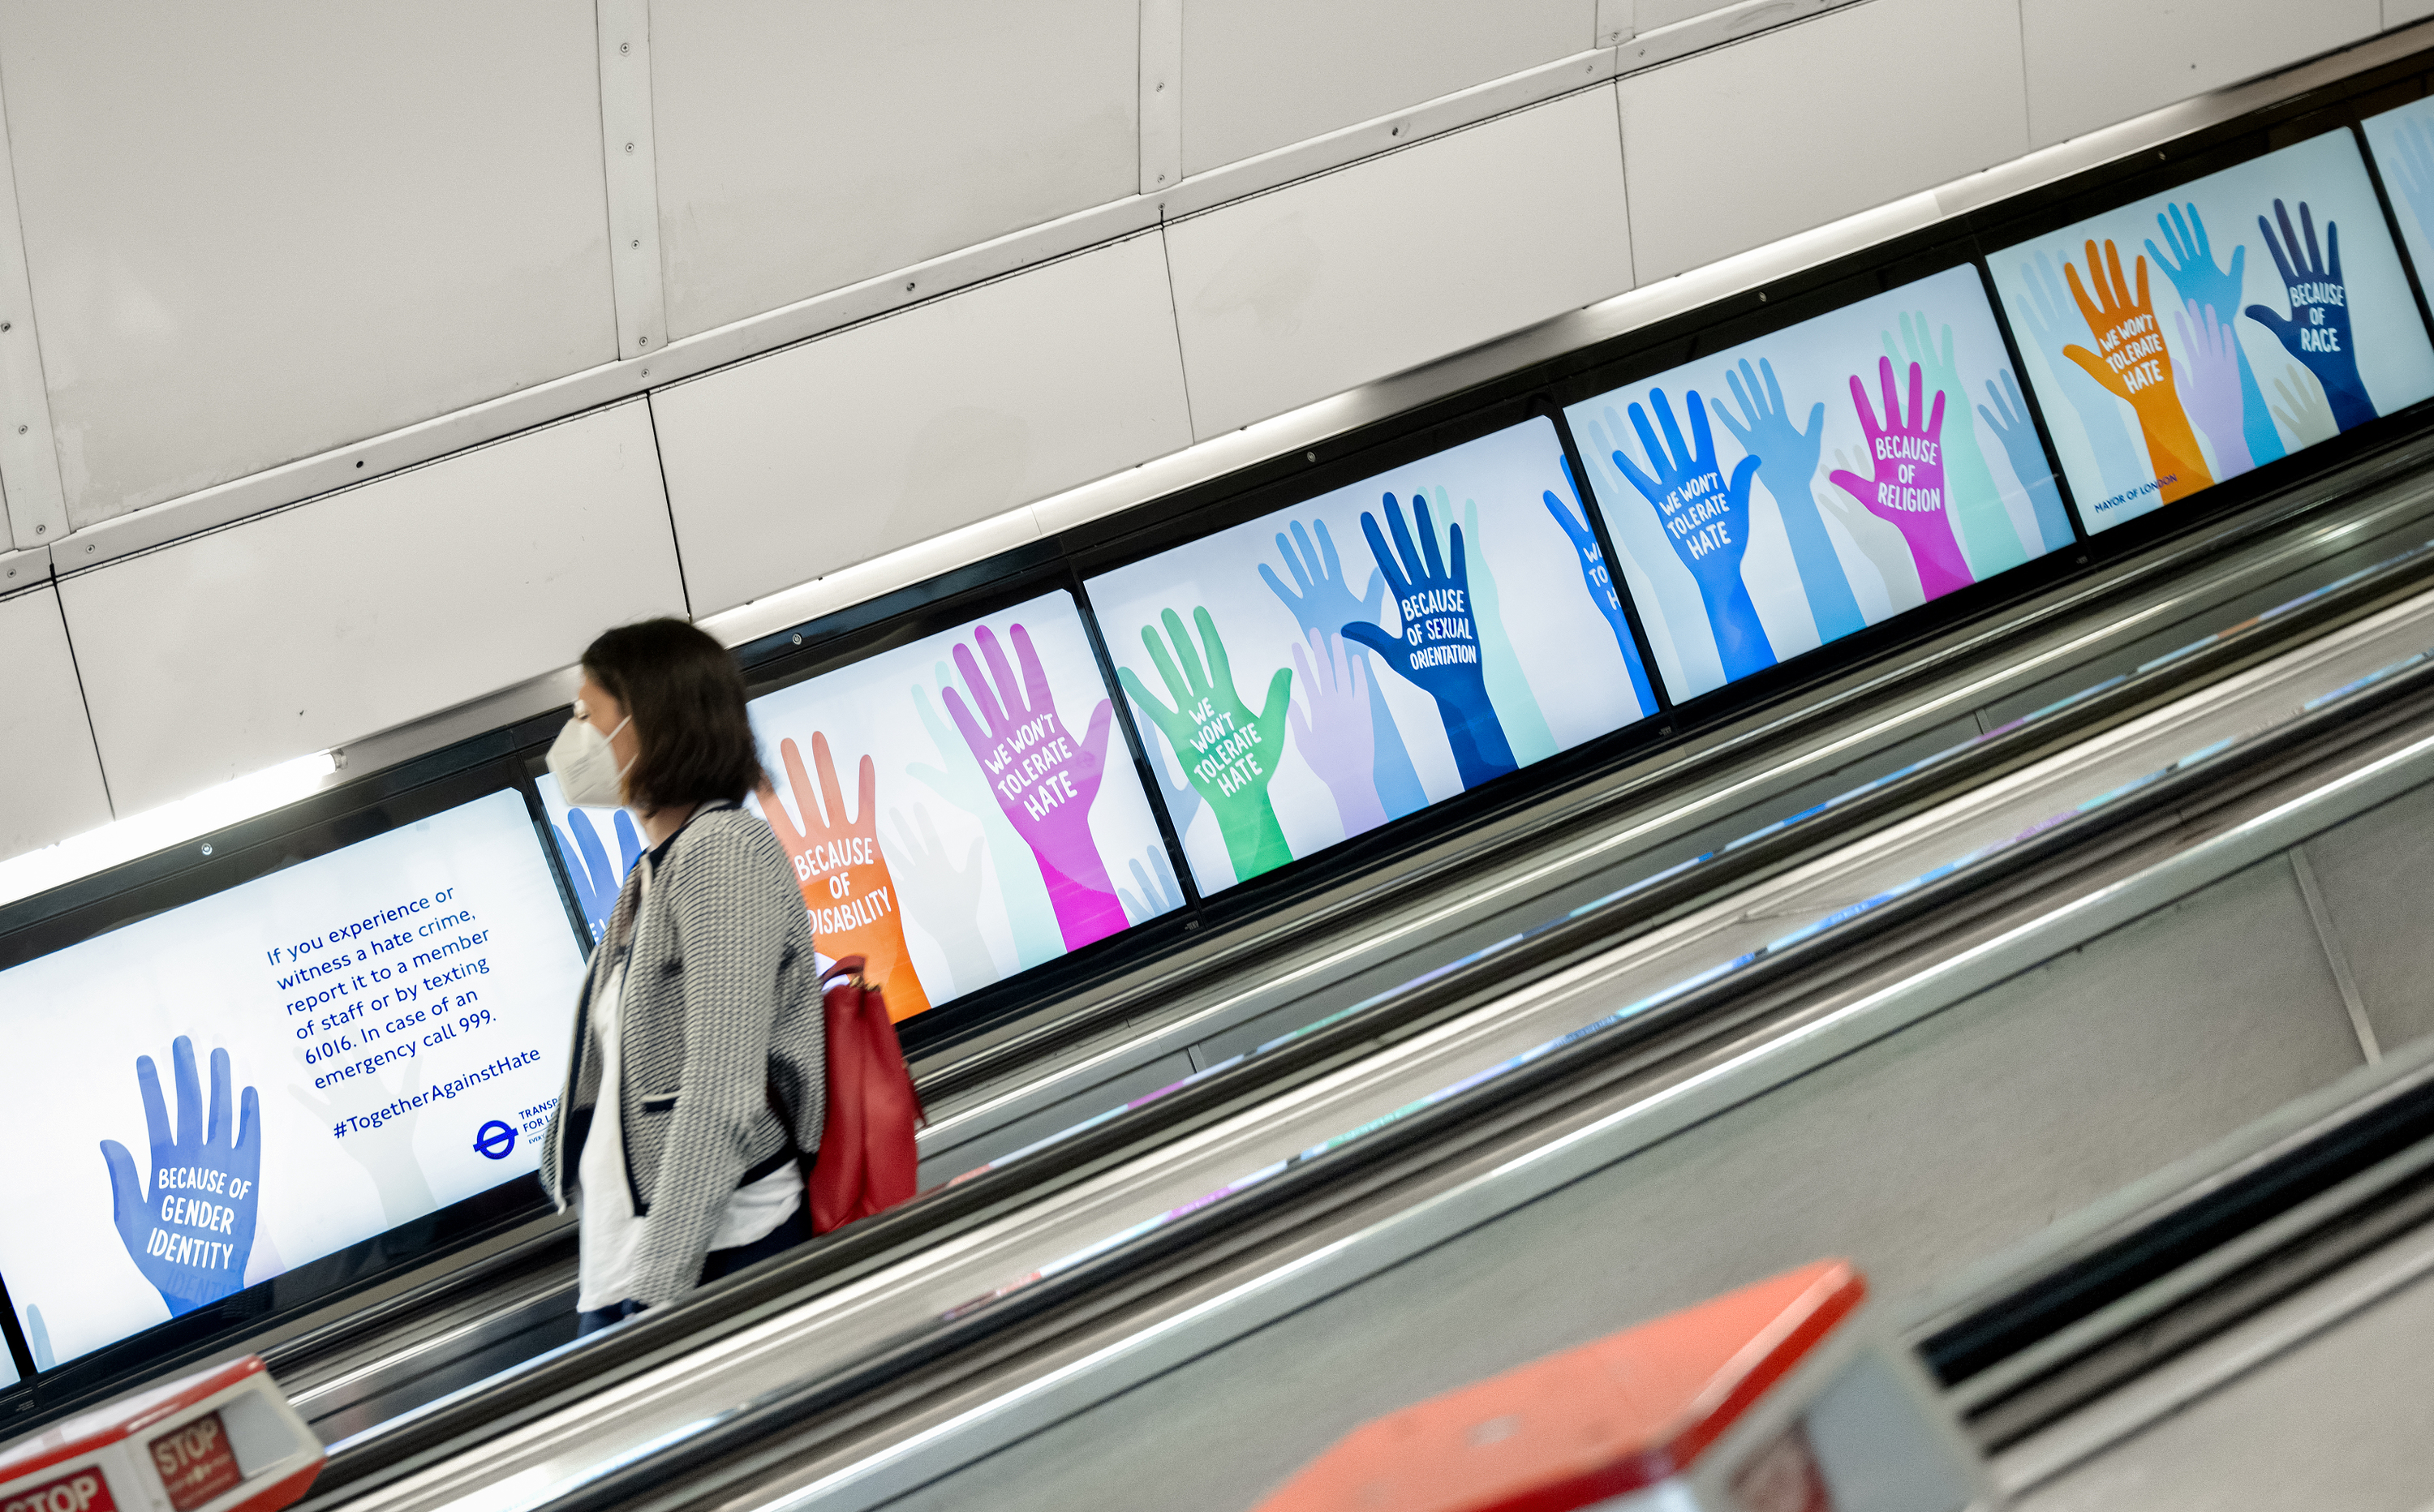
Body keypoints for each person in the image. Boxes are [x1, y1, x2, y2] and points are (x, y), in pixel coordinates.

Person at [538, 618, 825, 1334]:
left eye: (587, 716)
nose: (572, 739)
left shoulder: (722, 853)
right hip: (636, 1260)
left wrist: (658, 1289)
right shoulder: (654, 872)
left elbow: (722, 1090)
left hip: (715, 1258)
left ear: (651, 723)